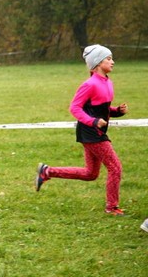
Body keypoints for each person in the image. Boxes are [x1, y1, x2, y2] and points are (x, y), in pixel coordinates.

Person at [35, 44, 128, 215]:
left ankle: (47, 171)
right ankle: (112, 207)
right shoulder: (90, 84)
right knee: (115, 168)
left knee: (91, 174)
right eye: (108, 59)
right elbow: (74, 107)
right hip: (91, 133)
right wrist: (93, 122)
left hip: (96, 132)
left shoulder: (108, 82)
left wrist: (116, 111)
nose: (112, 62)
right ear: (98, 63)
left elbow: (100, 109)